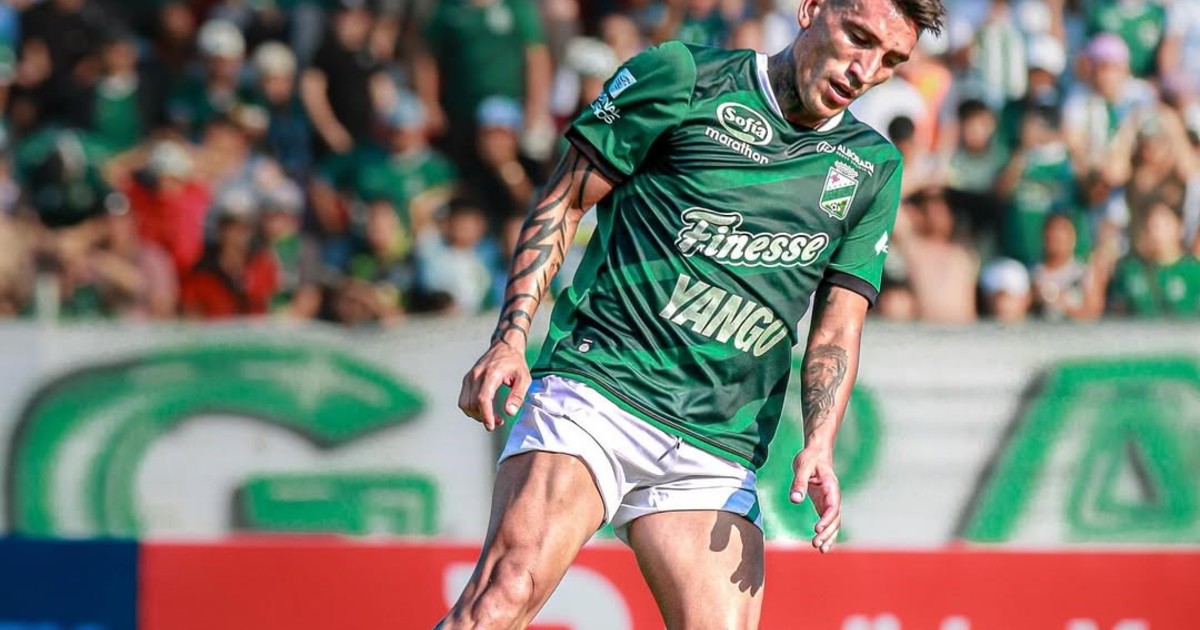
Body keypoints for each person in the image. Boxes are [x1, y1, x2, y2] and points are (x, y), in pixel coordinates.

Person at [442, 0, 946, 627]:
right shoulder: (683, 76)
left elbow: (838, 327)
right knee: (505, 594)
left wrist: (820, 442)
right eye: (858, 37)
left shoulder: (873, 167)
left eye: (890, 59)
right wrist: (510, 337)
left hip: (718, 442)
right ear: (812, 9)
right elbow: (565, 200)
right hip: (600, 391)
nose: (865, 70)